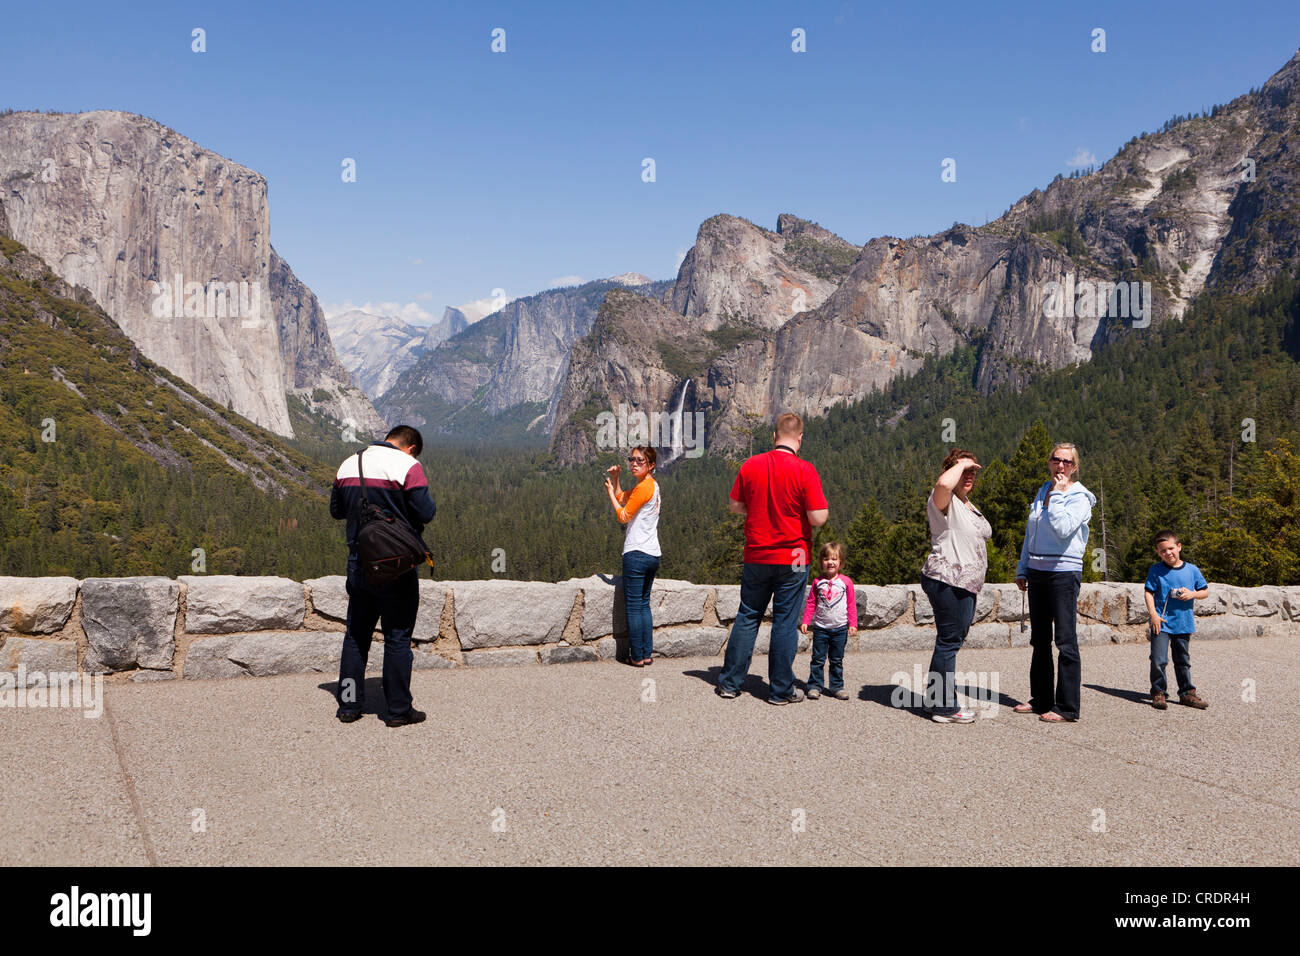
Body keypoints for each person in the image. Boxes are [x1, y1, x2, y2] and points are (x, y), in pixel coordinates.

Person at [717, 412, 829, 704]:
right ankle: (780, 691)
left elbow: (734, 505)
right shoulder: (805, 470)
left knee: (748, 615)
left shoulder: (751, 465)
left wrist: (757, 510)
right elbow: (817, 518)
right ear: (800, 439)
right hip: (793, 557)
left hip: (757, 554)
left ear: (774, 436)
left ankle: (730, 683)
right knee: (784, 621)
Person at [329, 425, 436, 728]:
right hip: (396, 567)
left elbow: (336, 510)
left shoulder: (350, 463)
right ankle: (398, 710)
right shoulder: (408, 466)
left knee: (355, 636)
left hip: (359, 563)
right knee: (398, 637)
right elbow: (426, 513)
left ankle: (349, 705)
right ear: (411, 447)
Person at [1014, 442, 1095, 722]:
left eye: (1067, 462)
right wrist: (1022, 568)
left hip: (1063, 573)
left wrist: (1058, 495)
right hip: (1037, 571)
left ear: (1075, 467)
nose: (1061, 466)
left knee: (1065, 640)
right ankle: (1041, 699)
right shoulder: (1041, 491)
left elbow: (1062, 530)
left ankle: (1068, 707)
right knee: (1039, 640)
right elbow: (1031, 531)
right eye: (1056, 460)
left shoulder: (1081, 497)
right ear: (1049, 462)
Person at [919, 448, 992, 723]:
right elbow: (942, 484)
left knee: (950, 641)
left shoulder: (966, 504)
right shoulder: (943, 499)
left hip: (964, 585)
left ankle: (935, 699)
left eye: (974, 471)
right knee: (949, 642)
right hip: (947, 580)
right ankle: (944, 707)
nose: (970, 475)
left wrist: (964, 466)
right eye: (965, 470)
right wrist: (960, 464)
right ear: (953, 471)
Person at [604, 445, 661, 666]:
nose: (634, 463)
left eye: (640, 461)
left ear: (651, 465)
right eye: (632, 459)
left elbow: (624, 515)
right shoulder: (649, 487)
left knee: (634, 606)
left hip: (636, 553)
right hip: (652, 554)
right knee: (644, 604)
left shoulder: (644, 488)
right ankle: (646, 654)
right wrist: (616, 478)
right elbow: (623, 496)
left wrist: (609, 493)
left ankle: (636, 656)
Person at [1144, 530, 1210, 710]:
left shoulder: (1192, 570)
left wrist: (1192, 594)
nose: (1168, 553)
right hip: (1162, 622)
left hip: (1183, 622)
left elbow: (1205, 592)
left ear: (1179, 547)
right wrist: (1154, 615)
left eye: (1171, 548)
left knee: (1182, 660)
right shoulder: (1156, 570)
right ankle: (1159, 692)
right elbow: (1148, 592)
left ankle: (1187, 693)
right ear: (1158, 553)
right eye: (1163, 551)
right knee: (1158, 659)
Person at [800, 542, 857, 701]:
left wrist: (852, 624)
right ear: (821, 562)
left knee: (836, 660)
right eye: (826, 559)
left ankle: (836, 686)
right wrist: (806, 620)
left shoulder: (846, 582)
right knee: (817, 659)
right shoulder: (818, 582)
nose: (830, 562)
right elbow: (811, 603)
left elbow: (851, 604)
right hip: (821, 628)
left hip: (839, 628)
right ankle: (814, 685)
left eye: (834, 558)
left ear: (840, 562)